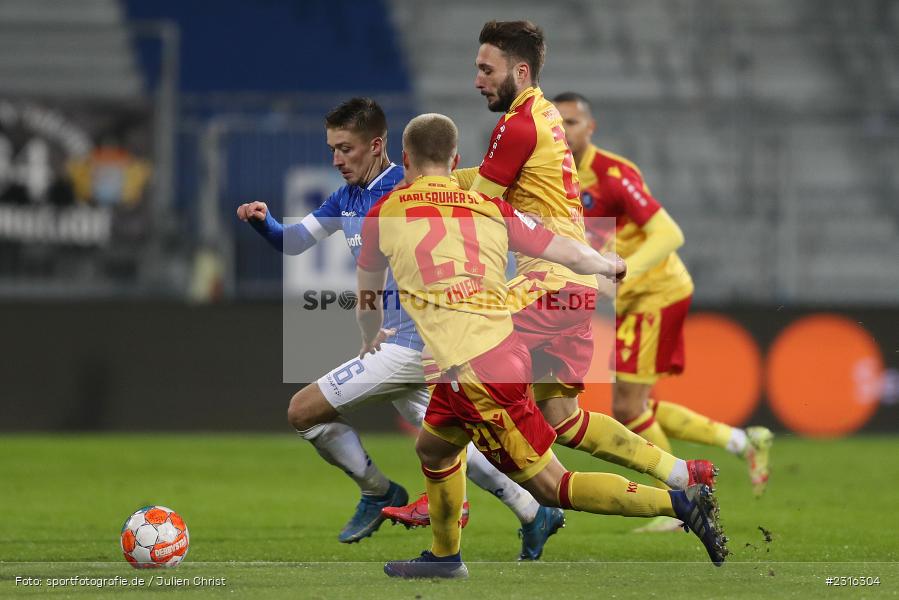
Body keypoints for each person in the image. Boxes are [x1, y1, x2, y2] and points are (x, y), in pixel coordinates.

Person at [386, 21, 717, 552]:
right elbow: (476, 185)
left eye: (485, 69)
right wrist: (428, 178)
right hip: (572, 290)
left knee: (463, 366)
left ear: (519, 70)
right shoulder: (538, 115)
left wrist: (416, 187)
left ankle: (459, 503)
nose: (477, 80)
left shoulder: (517, 126)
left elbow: (476, 207)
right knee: (563, 418)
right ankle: (681, 473)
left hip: (546, 285)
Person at [237, 97, 560, 553]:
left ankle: (377, 490)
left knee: (303, 411)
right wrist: (262, 221)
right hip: (403, 342)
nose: (336, 159)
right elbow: (293, 241)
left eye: (345, 149)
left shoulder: (407, 190)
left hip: (414, 344)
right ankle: (534, 509)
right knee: (452, 445)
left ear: (377, 145)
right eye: (332, 148)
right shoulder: (345, 198)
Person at [552, 91, 774, 529]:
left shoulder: (612, 175)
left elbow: (669, 233)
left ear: (590, 128)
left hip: (656, 292)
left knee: (630, 407)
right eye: (557, 122)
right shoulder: (554, 176)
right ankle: (742, 441)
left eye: (573, 121)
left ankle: (683, 503)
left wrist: (624, 271)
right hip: (633, 297)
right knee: (636, 406)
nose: (564, 129)